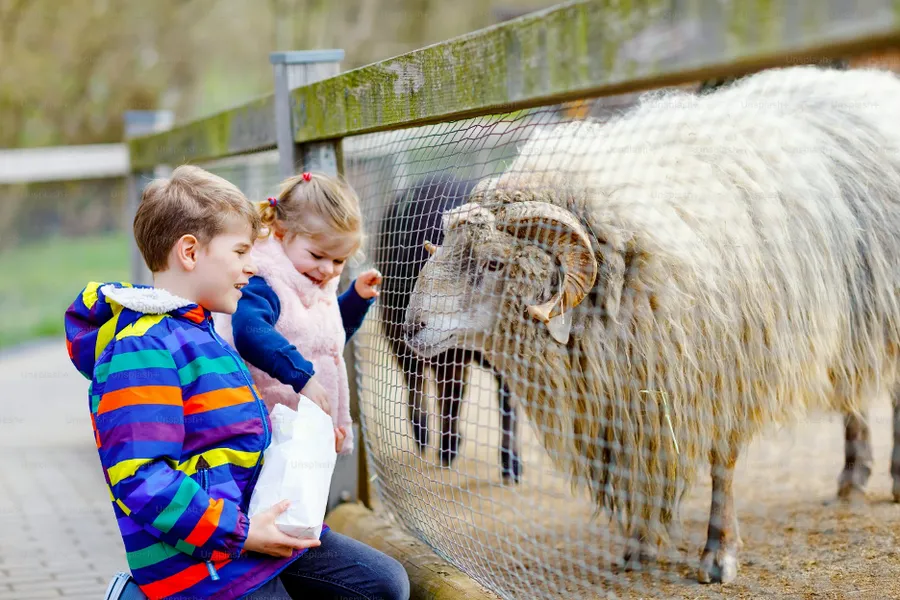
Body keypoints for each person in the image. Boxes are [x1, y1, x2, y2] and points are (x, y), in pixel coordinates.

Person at [64, 165, 409, 600]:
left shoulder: (200, 330)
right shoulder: (142, 350)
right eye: (242, 252)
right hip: (200, 561)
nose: (251, 268)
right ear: (190, 253)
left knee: (384, 584)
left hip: (247, 529)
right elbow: (140, 478)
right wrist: (241, 534)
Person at [215, 171, 382, 461]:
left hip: (300, 430)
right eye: (318, 255)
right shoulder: (262, 280)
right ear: (282, 233)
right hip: (263, 429)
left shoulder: (310, 278)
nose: (329, 269)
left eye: (339, 260)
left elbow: (319, 338)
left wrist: (355, 299)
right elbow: (249, 332)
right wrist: (303, 378)